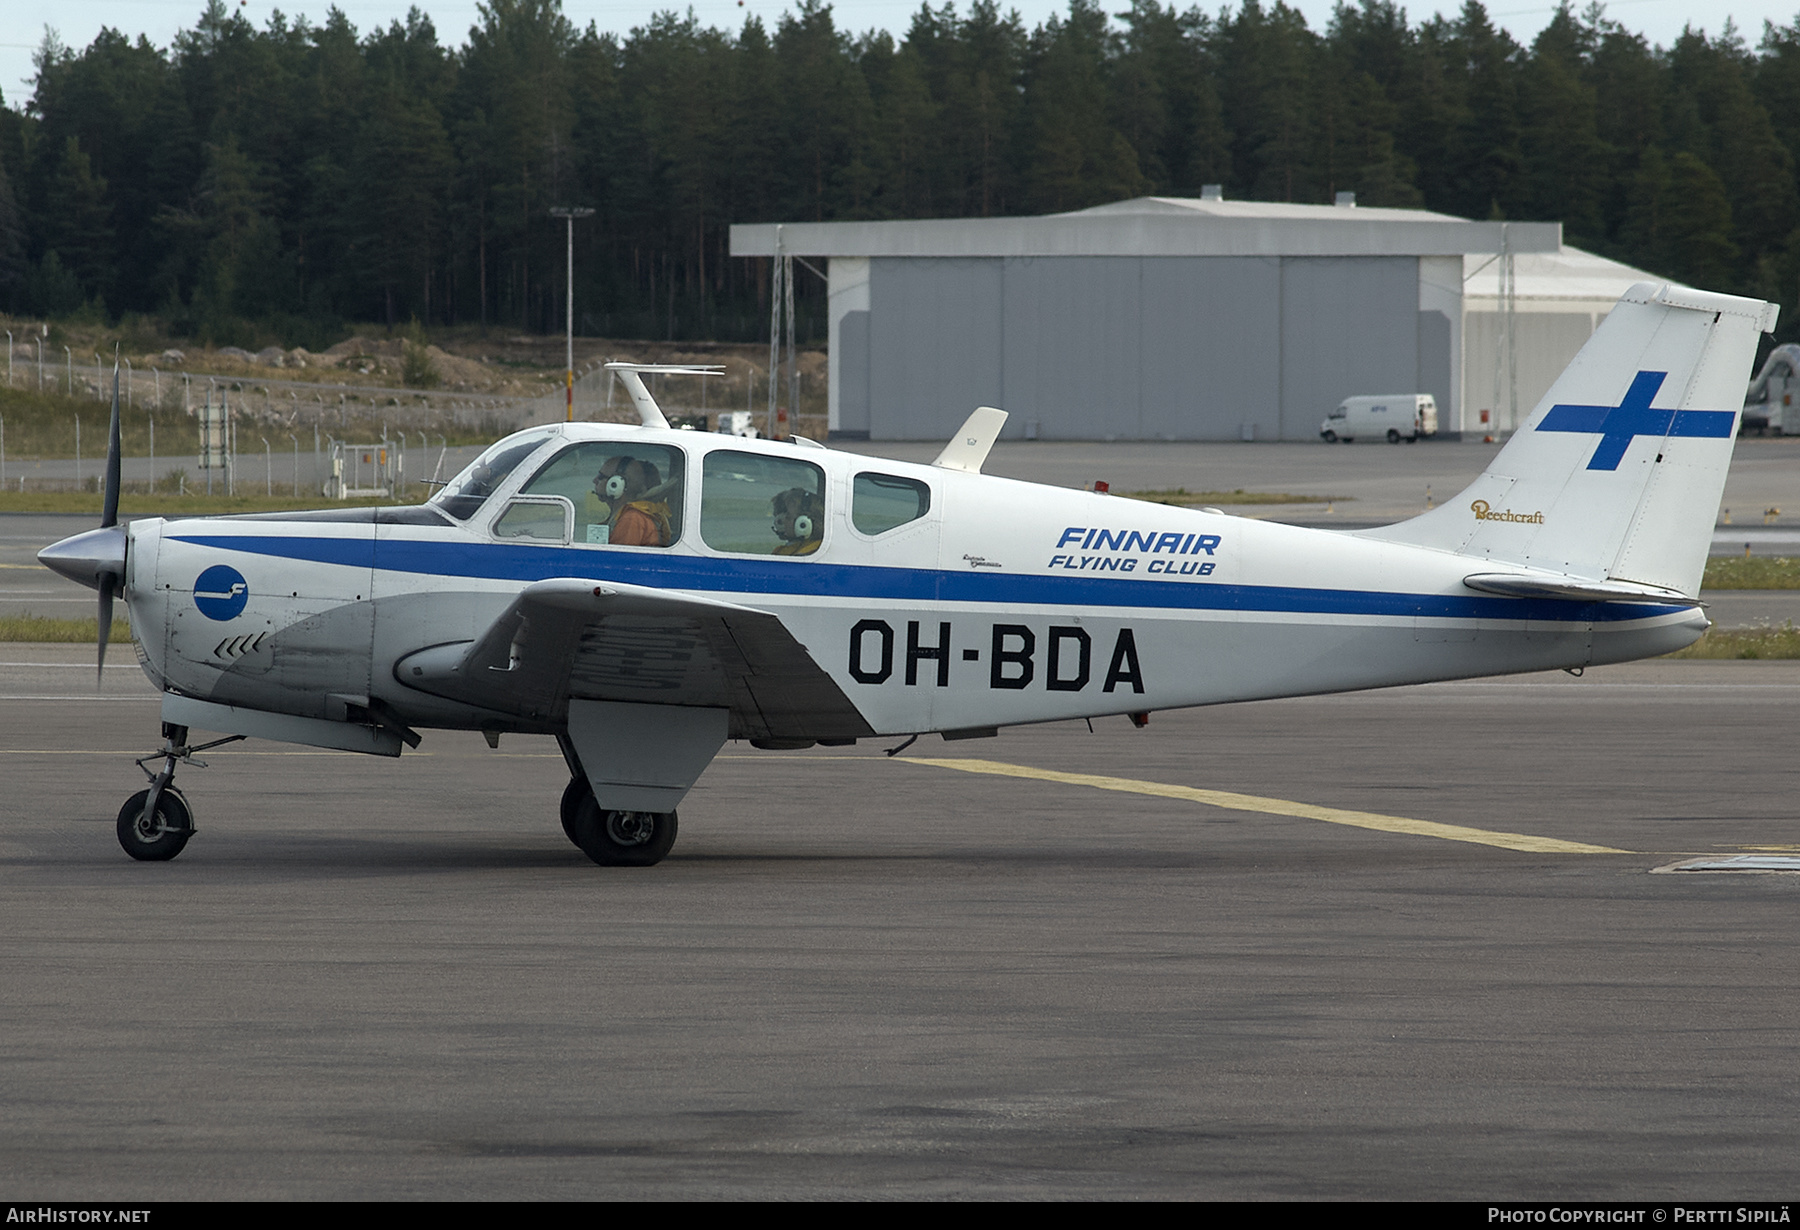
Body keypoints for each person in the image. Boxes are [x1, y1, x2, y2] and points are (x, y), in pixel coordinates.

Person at [588, 455, 675, 547]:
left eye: (601, 476)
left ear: (616, 484)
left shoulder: (632, 519)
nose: (594, 480)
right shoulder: (626, 516)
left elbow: (618, 558)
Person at [770, 486, 823, 556]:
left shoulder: (809, 553)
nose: (784, 522)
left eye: (788, 517)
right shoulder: (782, 550)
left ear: (804, 524)